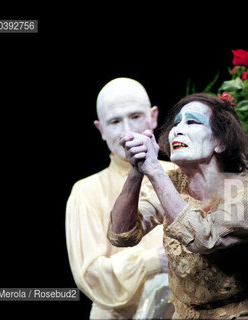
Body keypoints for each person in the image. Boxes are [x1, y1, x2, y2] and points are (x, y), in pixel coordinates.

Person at [108, 93, 248, 319]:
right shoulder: (172, 185)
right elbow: (121, 235)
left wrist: (155, 170)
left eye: (192, 121)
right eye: (176, 123)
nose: (178, 129)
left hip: (241, 313)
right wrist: (136, 172)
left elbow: (205, 236)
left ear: (221, 142)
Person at [65, 77, 177, 319]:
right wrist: (151, 261)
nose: (127, 130)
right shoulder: (86, 191)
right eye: (115, 121)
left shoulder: (180, 175)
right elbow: (90, 274)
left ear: (153, 116)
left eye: (136, 116)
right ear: (101, 129)